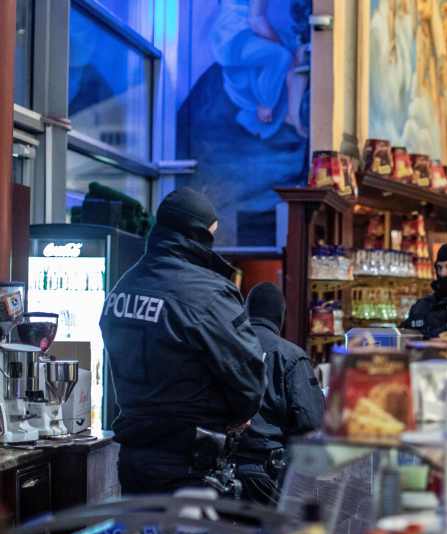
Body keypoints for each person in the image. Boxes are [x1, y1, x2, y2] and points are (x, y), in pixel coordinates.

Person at [100, 188, 267, 495]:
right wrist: (237, 416)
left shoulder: (123, 286)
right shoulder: (209, 293)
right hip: (189, 464)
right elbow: (248, 379)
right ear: (197, 235)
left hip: (133, 459)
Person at [235, 282, 325, 504]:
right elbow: (313, 421)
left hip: (224, 471)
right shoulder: (290, 356)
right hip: (268, 472)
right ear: (280, 316)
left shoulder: (226, 345)